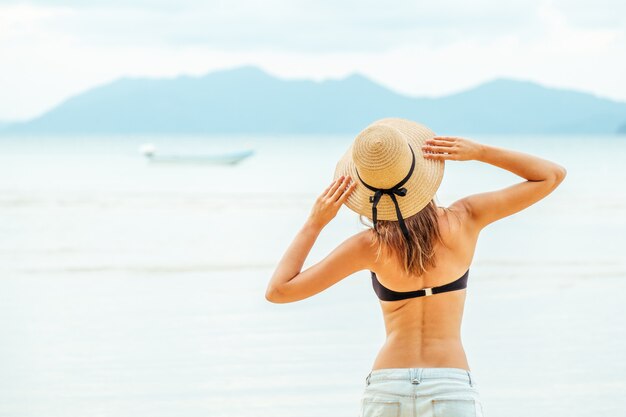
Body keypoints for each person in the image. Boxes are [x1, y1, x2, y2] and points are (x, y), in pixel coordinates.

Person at [265, 117, 567, 417]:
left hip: (388, 387)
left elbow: (279, 291)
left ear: (369, 190)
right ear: (422, 175)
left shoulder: (369, 245)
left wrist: (315, 222)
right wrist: (479, 152)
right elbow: (551, 175)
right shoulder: (467, 217)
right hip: (450, 384)